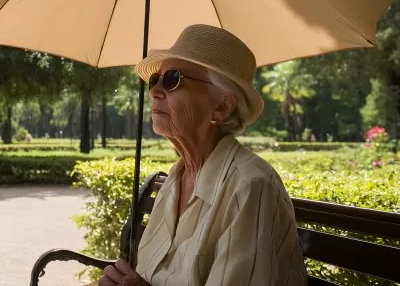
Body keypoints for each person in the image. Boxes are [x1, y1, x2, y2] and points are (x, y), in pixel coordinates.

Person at [98, 24, 307, 286]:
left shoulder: (250, 186)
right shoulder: (176, 178)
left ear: (221, 107)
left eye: (173, 78)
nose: (154, 91)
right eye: (155, 80)